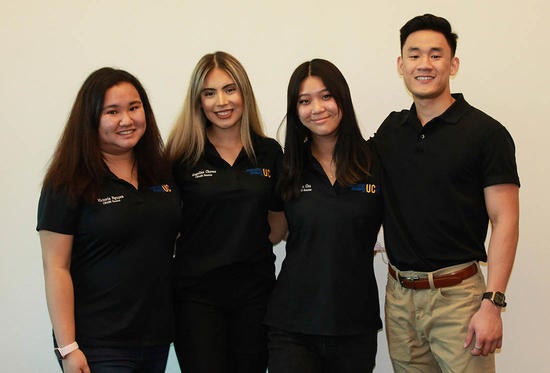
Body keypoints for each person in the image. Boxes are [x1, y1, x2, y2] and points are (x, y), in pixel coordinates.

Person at [374, 14, 520, 372]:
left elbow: (506, 220)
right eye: (414, 54)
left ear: (453, 64)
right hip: (399, 298)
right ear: (400, 64)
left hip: (459, 299)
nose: (424, 64)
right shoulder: (391, 130)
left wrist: (492, 304)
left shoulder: (486, 133)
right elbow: (349, 171)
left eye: (436, 55)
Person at [37, 67, 181, 373]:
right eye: (112, 112)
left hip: (154, 339)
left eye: (134, 108)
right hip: (97, 344)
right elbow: (56, 267)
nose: (126, 120)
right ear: (90, 119)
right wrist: (68, 347)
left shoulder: (161, 172)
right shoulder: (68, 182)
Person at [165, 51, 286, 373]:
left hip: (255, 295)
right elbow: (164, 225)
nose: (221, 101)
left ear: (244, 94)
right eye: (209, 92)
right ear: (198, 101)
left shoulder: (269, 152)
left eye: (230, 89)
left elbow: (277, 227)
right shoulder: (181, 156)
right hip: (196, 298)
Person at [264, 59, 383, 373]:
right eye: (304, 100)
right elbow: (272, 232)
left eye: (326, 96)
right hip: (292, 325)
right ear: (295, 109)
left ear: (342, 98)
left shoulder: (375, 160)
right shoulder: (287, 165)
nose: (317, 108)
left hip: (355, 323)